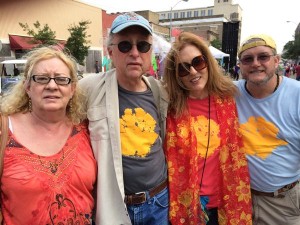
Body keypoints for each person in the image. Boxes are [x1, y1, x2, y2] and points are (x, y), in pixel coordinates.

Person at [79, 12, 169, 225]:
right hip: (113, 206)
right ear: (110, 51)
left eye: (143, 46)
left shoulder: (161, 92)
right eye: (125, 46)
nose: (135, 53)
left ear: (150, 52)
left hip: (159, 202)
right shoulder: (88, 88)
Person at [163, 32, 252, 225]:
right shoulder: (169, 107)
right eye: (183, 69)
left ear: (208, 62)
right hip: (186, 205)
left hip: (226, 203)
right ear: (175, 75)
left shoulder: (229, 99)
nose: (193, 72)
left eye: (198, 62)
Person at [0, 46, 97, 224]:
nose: (52, 86)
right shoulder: (4, 131)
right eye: (42, 79)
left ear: (73, 89)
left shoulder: (87, 131)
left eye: (61, 80)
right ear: (27, 86)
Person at [235, 34, 300, 225]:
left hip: (283, 202)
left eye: (263, 56)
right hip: (240, 199)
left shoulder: (296, 95)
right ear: (240, 65)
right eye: (248, 59)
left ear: (277, 60)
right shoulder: (230, 92)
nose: (255, 63)